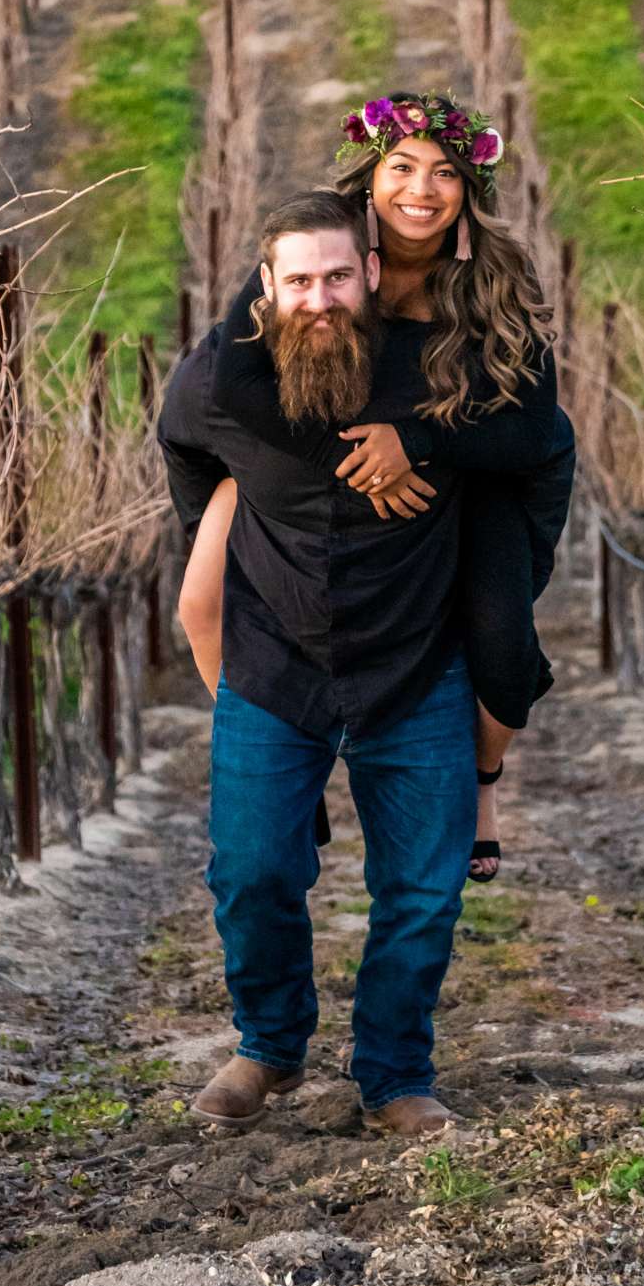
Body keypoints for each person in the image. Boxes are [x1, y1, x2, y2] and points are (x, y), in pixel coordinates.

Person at [179, 91, 574, 882]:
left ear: (469, 189)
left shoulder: (491, 283)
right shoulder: (317, 250)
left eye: (444, 173)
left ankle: (482, 784)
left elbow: (531, 426)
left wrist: (417, 443)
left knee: (500, 640)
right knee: (201, 603)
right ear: (372, 174)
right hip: (280, 462)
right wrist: (350, 459)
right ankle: (287, 775)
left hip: (467, 473)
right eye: (402, 167)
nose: (421, 190)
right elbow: (235, 385)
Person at [159, 189, 481, 1139]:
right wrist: (212, 521)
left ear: (372, 273)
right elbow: (181, 446)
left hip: (414, 660)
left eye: (339, 276)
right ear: (267, 286)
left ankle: (394, 1074)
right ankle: (268, 1046)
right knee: (252, 869)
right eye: (298, 280)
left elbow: (525, 443)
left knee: (422, 889)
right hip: (272, 660)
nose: (321, 297)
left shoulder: (437, 372)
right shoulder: (223, 379)